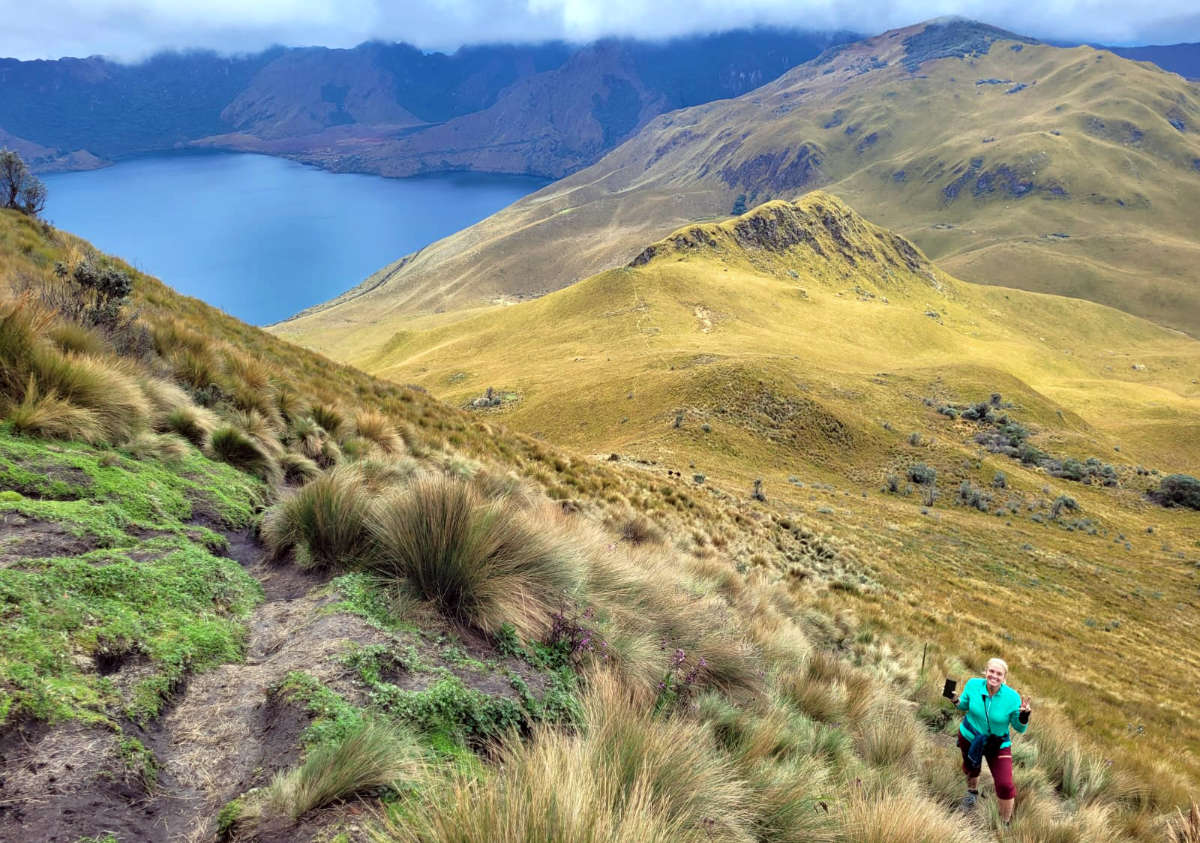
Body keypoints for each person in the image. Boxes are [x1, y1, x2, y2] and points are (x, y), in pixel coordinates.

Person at [951, 657, 1031, 824]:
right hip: (970, 736)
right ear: (985, 672)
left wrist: (1023, 716)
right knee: (972, 767)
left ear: (1004, 678)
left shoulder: (1012, 698)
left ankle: (1004, 823)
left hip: (997, 743)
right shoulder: (973, 685)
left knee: (1005, 785)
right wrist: (955, 700)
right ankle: (972, 793)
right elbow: (964, 705)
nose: (994, 676)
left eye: (999, 674)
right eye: (991, 671)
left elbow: (1019, 728)